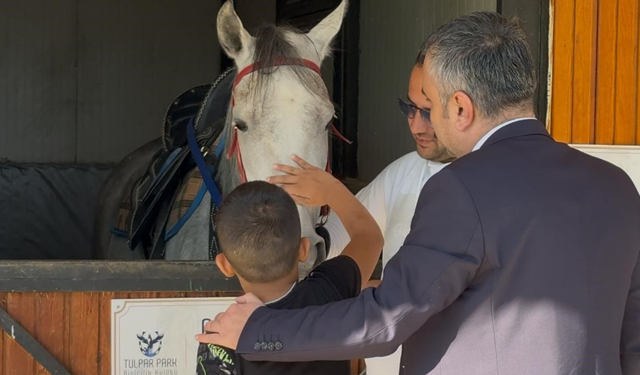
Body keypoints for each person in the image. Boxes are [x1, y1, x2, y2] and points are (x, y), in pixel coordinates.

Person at [197, 12, 640, 375]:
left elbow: (387, 319)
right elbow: (633, 337)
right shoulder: (617, 186)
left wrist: (258, 330)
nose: (418, 121)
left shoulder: (460, 188)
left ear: (461, 108)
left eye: (426, 105)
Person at [322, 47, 455, 374]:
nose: (415, 127)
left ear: (465, 107)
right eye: (409, 108)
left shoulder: (496, 184)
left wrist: (378, 295)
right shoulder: (405, 172)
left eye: (427, 112)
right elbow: (334, 243)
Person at [195, 162, 383, 375]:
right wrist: (332, 189)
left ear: (224, 265)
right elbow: (370, 236)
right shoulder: (331, 289)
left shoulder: (221, 338)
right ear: (304, 250)